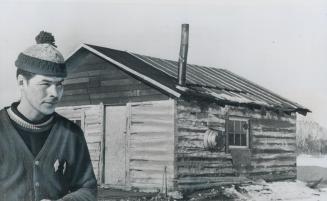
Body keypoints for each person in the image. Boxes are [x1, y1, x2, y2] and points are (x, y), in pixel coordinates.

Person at [0, 31, 97, 201]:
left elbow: (87, 189)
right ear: (22, 82)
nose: (55, 93)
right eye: (45, 84)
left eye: (59, 85)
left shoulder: (71, 134)